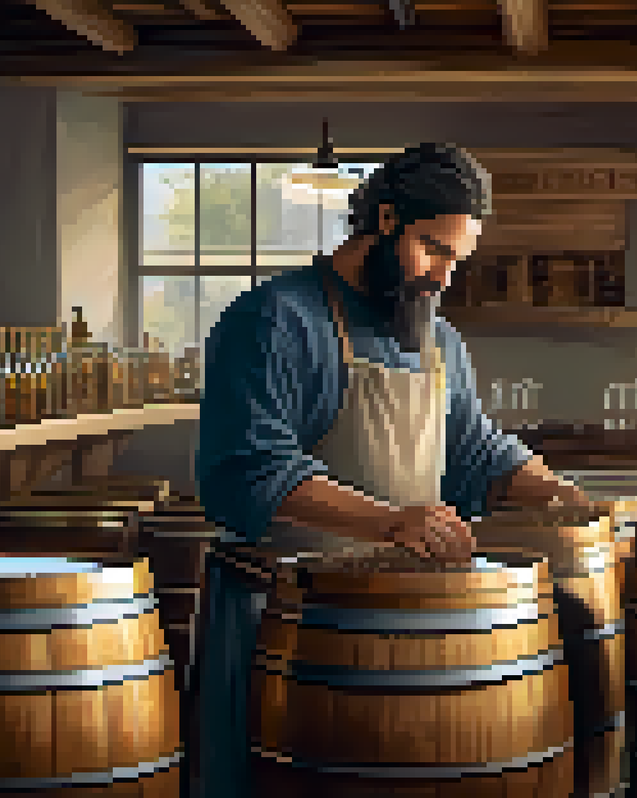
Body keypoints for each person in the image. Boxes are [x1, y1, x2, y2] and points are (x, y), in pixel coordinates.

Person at [192, 142, 590, 797]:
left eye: (456, 260)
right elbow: (246, 472)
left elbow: (474, 450)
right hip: (287, 632)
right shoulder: (274, 321)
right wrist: (390, 522)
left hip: (401, 633)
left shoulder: (439, 341)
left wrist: (546, 487)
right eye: (433, 250)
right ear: (382, 219)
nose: (442, 277)